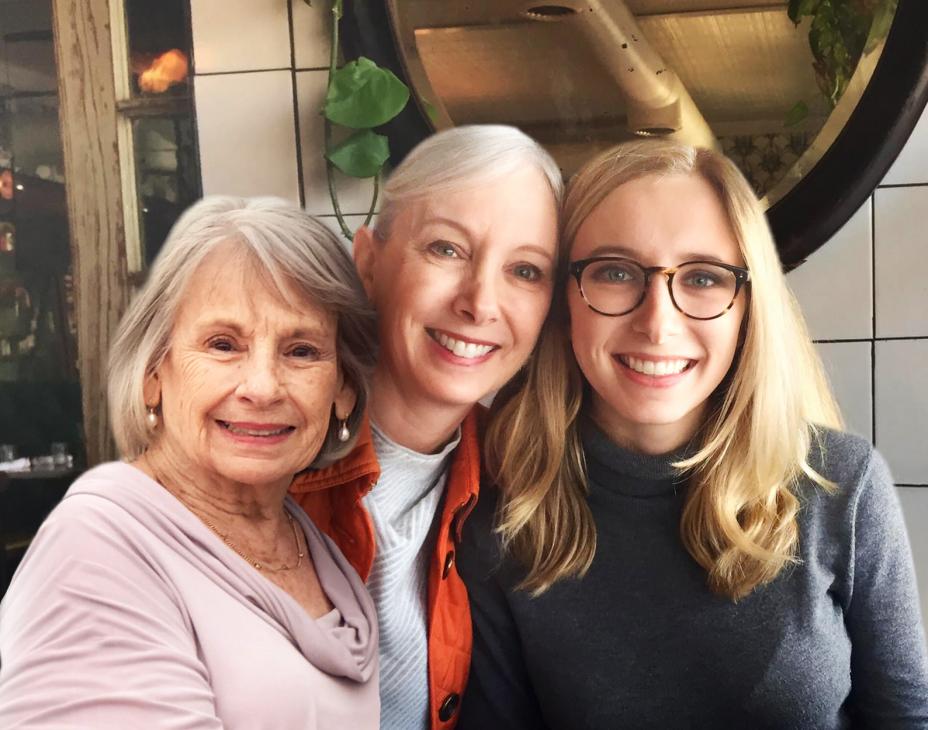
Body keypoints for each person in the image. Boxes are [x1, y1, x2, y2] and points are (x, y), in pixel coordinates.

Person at [458, 140, 928, 728]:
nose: (657, 322)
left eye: (703, 277)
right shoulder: (505, 506)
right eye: (614, 272)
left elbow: (905, 716)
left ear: (748, 307)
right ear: (562, 303)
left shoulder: (841, 483)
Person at [0, 197, 381, 728]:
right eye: (224, 344)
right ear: (154, 373)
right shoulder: (98, 549)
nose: (263, 387)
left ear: (342, 389)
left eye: (301, 351)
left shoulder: (308, 540)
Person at [290, 124, 563, 729]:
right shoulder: (255, 465)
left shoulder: (526, 487)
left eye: (525, 270)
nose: (480, 302)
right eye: (447, 249)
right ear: (368, 262)